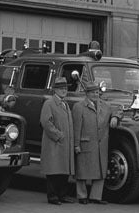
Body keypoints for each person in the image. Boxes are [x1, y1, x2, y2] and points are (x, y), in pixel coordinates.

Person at [72, 79, 110, 204]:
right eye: (93, 92)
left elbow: (117, 110)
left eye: (97, 92)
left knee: (100, 171)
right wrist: (76, 144)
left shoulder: (104, 105)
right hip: (85, 142)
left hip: (100, 145)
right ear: (87, 93)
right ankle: (82, 196)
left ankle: (96, 197)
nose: (96, 94)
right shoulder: (79, 107)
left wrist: (115, 117)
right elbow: (76, 127)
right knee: (82, 170)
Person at [39, 76, 74, 205]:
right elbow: (45, 122)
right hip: (54, 142)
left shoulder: (65, 104)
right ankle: (52, 197)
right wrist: (58, 135)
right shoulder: (49, 103)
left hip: (63, 143)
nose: (63, 90)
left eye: (65, 88)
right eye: (60, 88)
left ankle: (62, 195)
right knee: (53, 170)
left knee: (63, 171)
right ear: (55, 90)